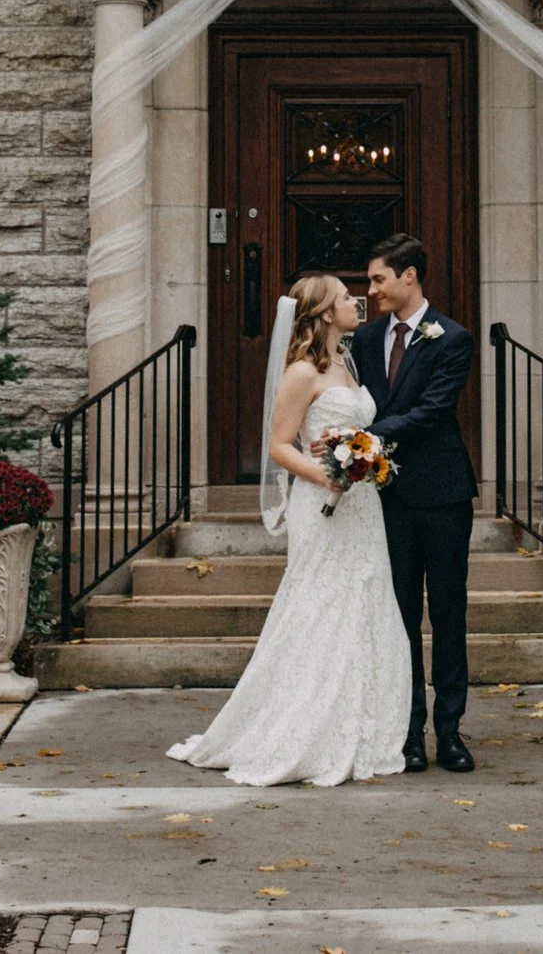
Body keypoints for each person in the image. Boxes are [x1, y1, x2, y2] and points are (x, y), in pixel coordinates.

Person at [166, 271, 411, 786]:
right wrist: (329, 474)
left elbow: (357, 428)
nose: (357, 301)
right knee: (320, 609)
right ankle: (303, 731)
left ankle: (359, 729)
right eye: (347, 297)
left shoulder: (345, 359)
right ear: (325, 313)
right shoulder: (301, 372)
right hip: (322, 503)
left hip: (362, 506)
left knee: (364, 606)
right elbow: (279, 446)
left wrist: (365, 455)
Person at [350, 233, 478, 775]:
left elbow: (430, 411)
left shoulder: (452, 338)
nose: (371, 289)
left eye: (379, 278)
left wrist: (365, 437)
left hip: (443, 493)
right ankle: (408, 733)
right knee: (398, 616)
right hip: (387, 497)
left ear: (409, 277)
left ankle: (449, 731)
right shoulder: (365, 338)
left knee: (448, 613)